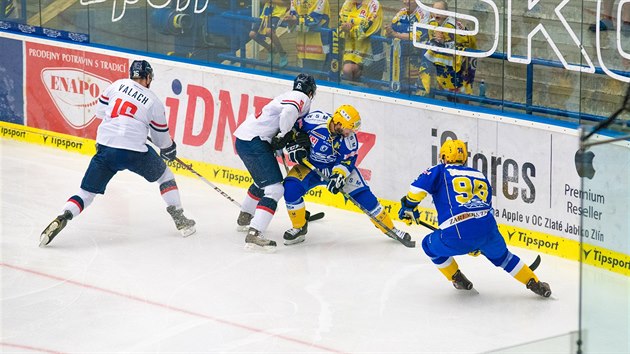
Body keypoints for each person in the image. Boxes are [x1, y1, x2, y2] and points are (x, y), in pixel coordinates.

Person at [39, 60, 196, 247]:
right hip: (134, 152)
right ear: (147, 78)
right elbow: (161, 140)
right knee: (165, 176)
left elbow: (100, 112)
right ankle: (180, 218)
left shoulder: (116, 85)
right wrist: (169, 149)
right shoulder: (153, 101)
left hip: (106, 148)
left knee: (86, 193)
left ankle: (64, 215)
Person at [398, 139, 551, 297]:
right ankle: (535, 283)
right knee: (505, 258)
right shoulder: (479, 175)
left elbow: (416, 189)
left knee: (428, 246)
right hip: (488, 230)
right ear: (464, 158)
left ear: (443, 157)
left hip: (457, 232)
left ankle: (456, 277)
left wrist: (409, 207)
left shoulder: (441, 170)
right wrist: (477, 241)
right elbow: (486, 207)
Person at [281, 105, 412, 246]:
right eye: (349, 128)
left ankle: (391, 229)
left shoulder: (349, 139)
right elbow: (292, 128)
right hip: (310, 166)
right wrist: (294, 144)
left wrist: (339, 175)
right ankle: (299, 227)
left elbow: (348, 161)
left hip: (337, 170)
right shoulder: (314, 120)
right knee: (291, 188)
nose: (351, 132)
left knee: (366, 198)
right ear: (338, 123)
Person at [233, 73, 317, 250]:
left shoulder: (286, 96)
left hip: (245, 139)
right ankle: (255, 233)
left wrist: (279, 141)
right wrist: (283, 134)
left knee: (262, 181)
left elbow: (281, 119)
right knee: (275, 189)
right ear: (311, 92)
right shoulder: (302, 97)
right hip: (254, 141)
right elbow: (289, 113)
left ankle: (246, 217)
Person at [420, 0, 477, 99]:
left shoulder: (453, 26)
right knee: (434, 88)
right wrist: (438, 42)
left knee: (456, 96)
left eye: (440, 10)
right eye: (434, 10)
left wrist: (446, 42)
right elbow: (431, 40)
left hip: (455, 67)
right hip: (439, 65)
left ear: (447, 12)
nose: (437, 13)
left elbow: (468, 44)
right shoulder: (431, 23)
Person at [383, 0, 430, 95]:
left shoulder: (424, 13)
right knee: (402, 84)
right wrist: (388, 32)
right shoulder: (401, 12)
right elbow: (391, 30)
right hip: (400, 56)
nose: (405, 2)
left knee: (414, 85)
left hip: (417, 56)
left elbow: (418, 36)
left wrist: (396, 34)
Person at [338, 0, 384, 81]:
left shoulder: (374, 4)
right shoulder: (347, 3)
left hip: (370, 55)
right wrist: (345, 28)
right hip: (350, 53)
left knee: (372, 85)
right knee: (347, 71)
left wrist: (350, 30)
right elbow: (340, 25)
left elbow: (366, 29)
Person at [284, 0, 331, 75]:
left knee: (320, 80)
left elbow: (315, 19)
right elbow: (293, 14)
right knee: (305, 79)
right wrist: (289, 18)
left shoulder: (322, 1)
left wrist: (296, 19)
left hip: (320, 47)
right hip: (302, 49)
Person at [249, 0, 291, 68]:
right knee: (252, 34)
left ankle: (282, 54)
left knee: (269, 32)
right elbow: (262, 2)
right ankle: (270, 49)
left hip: (277, 15)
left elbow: (287, 3)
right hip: (265, 15)